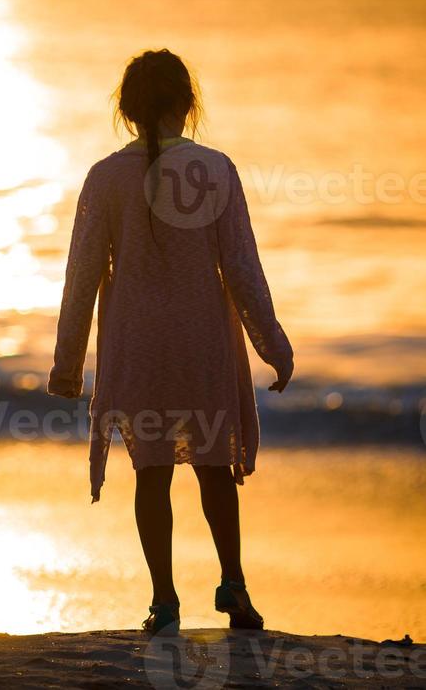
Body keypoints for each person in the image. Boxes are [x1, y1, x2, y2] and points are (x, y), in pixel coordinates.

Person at [47, 48, 294, 634]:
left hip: (137, 345)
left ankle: (165, 601)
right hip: (202, 343)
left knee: (151, 475)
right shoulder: (216, 168)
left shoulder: (104, 178)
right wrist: (274, 347)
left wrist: (67, 366)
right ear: (188, 105)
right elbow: (241, 268)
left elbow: (81, 275)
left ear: (128, 110)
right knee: (214, 468)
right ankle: (234, 586)